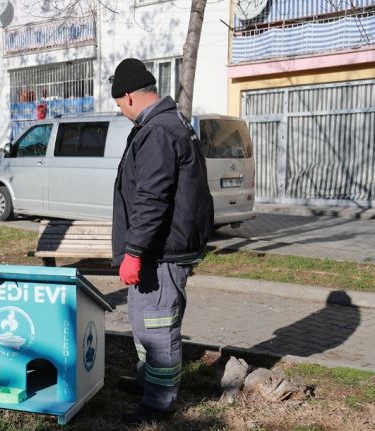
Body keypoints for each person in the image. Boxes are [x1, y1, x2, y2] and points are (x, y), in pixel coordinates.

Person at [109, 58, 213, 424]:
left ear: (128, 97)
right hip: (158, 248)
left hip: (161, 252)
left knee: (158, 326)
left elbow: (152, 197)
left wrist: (133, 252)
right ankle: (147, 381)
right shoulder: (167, 123)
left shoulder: (159, 130)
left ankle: (159, 403)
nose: (121, 112)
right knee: (143, 322)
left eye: (119, 105)